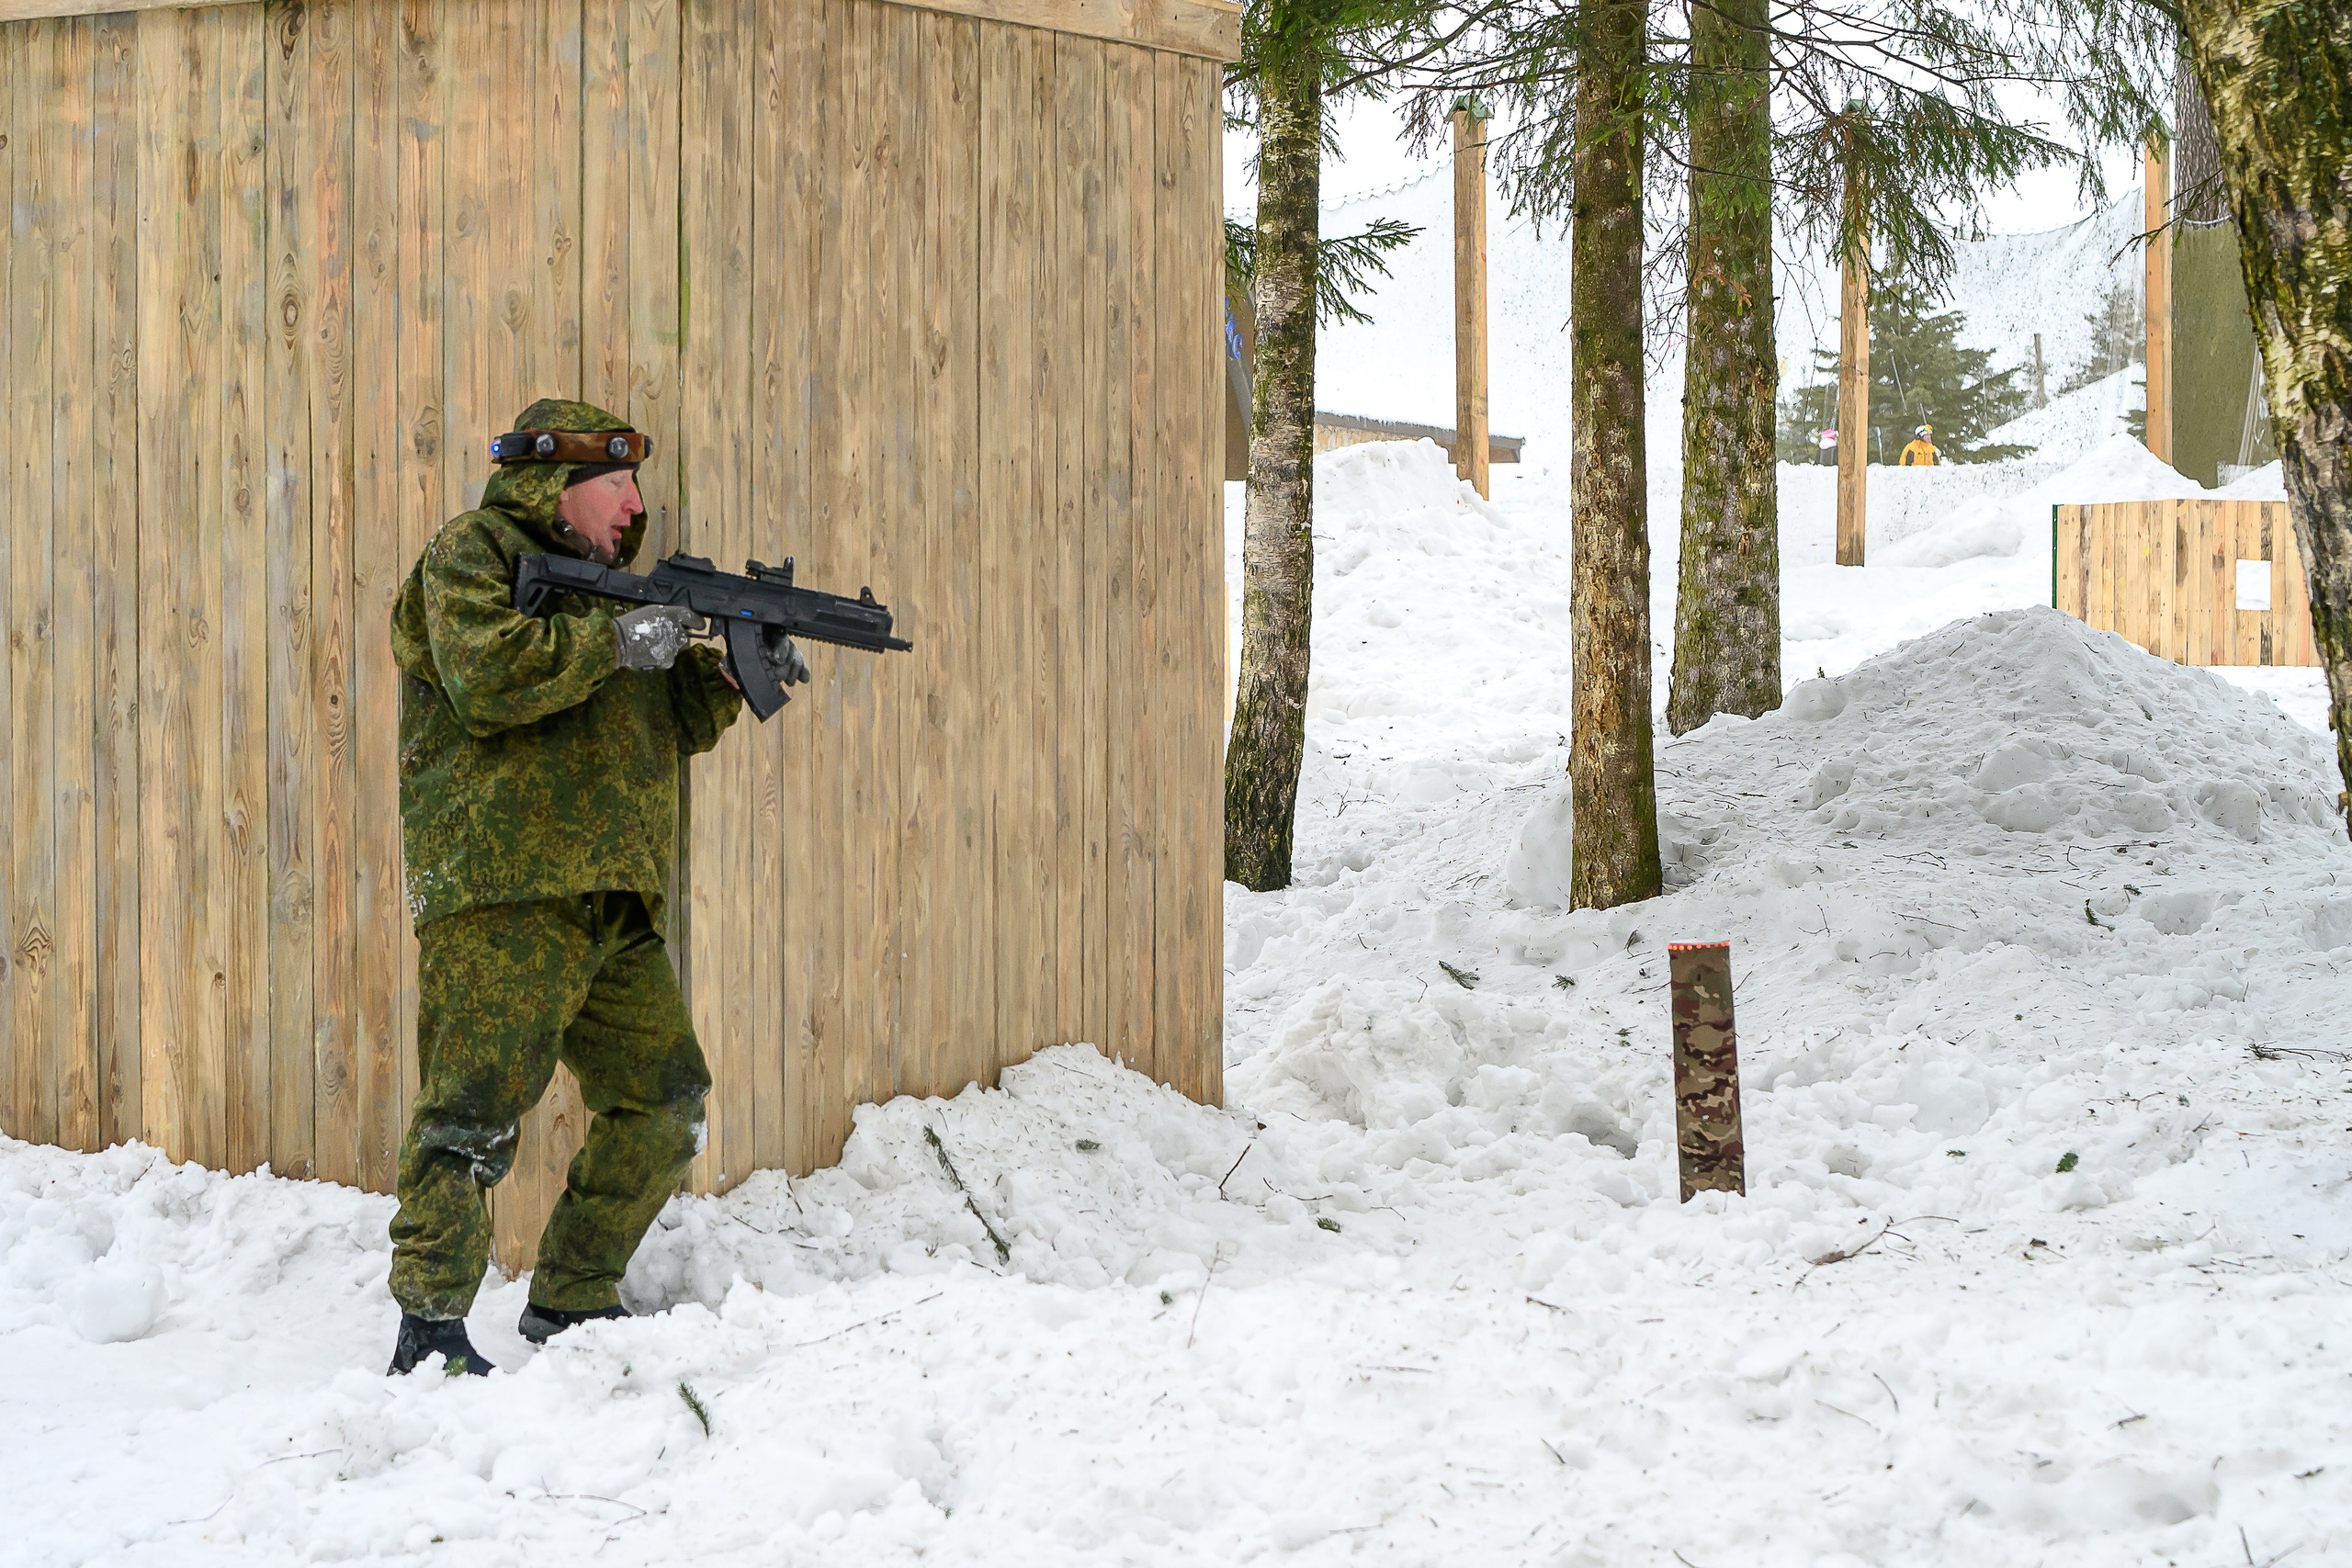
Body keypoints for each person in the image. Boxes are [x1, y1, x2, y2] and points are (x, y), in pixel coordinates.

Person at [382, 398, 809, 1376]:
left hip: (610, 900)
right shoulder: (473, 558)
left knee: (665, 1104)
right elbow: (487, 677)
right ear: (554, 486)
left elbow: (651, 730)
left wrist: (729, 684)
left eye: (635, 485)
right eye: (615, 483)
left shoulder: (622, 597)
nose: (633, 505)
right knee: (471, 1115)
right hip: (505, 890)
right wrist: (619, 643)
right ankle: (431, 1331)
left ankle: (572, 1298)